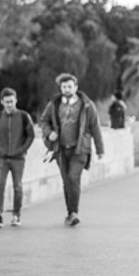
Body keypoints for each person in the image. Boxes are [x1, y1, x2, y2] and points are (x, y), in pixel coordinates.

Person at [40, 73, 105, 227]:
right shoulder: (54, 104)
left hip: (80, 149)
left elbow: (95, 127)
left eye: (70, 86)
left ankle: (74, 212)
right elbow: (44, 121)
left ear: (76, 87)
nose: (67, 89)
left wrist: (100, 149)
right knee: (66, 181)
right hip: (61, 150)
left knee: (73, 179)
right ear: (60, 88)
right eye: (64, 87)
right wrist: (50, 133)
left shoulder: (87, 105)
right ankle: (70, 212)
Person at [0, 87, 36, 228]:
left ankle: (16, 215)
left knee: (18, 186)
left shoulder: (24, 116)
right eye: (7, 102)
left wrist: (21, 149)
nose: (9, 104)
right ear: (2, 102)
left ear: (16, 100)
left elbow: (31, 135)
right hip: (2, 158)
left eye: (12, 101)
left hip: (18, 158)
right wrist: (0, 149)